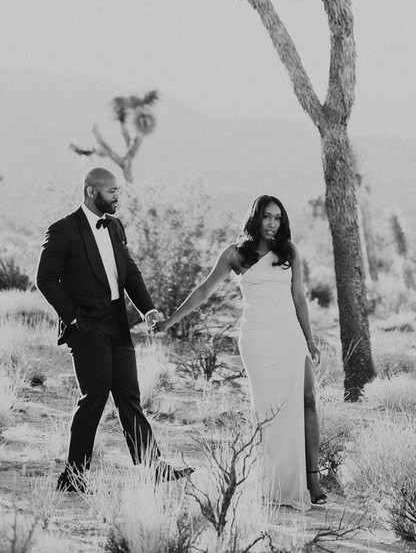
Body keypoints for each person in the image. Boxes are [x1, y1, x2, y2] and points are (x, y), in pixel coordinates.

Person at [153, 194, 327, 510]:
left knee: (307, 399)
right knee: (269, 407)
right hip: (258, 337)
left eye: (278, 218)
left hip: (290, 334)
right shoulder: (235, 254)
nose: (273, 223)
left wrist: (310, 340)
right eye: (267, 217)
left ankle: (312, 478)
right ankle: (272, 481)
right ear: (256, 218)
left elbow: (299, 297)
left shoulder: (289, 252)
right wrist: (168, 322)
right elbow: (204, 290)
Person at [36, 167, 193, 492]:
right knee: (94, 396)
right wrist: (73, 318)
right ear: (92, 192)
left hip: (117, 321)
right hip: (87, 324)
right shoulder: (63, 230)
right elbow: (45, 278)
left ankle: (154, 467)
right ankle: (74, 477)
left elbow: (129, 272)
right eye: (112, 192)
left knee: (128, 396)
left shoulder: (116, 226)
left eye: (118, 191)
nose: (118, 197)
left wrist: (148, 309)